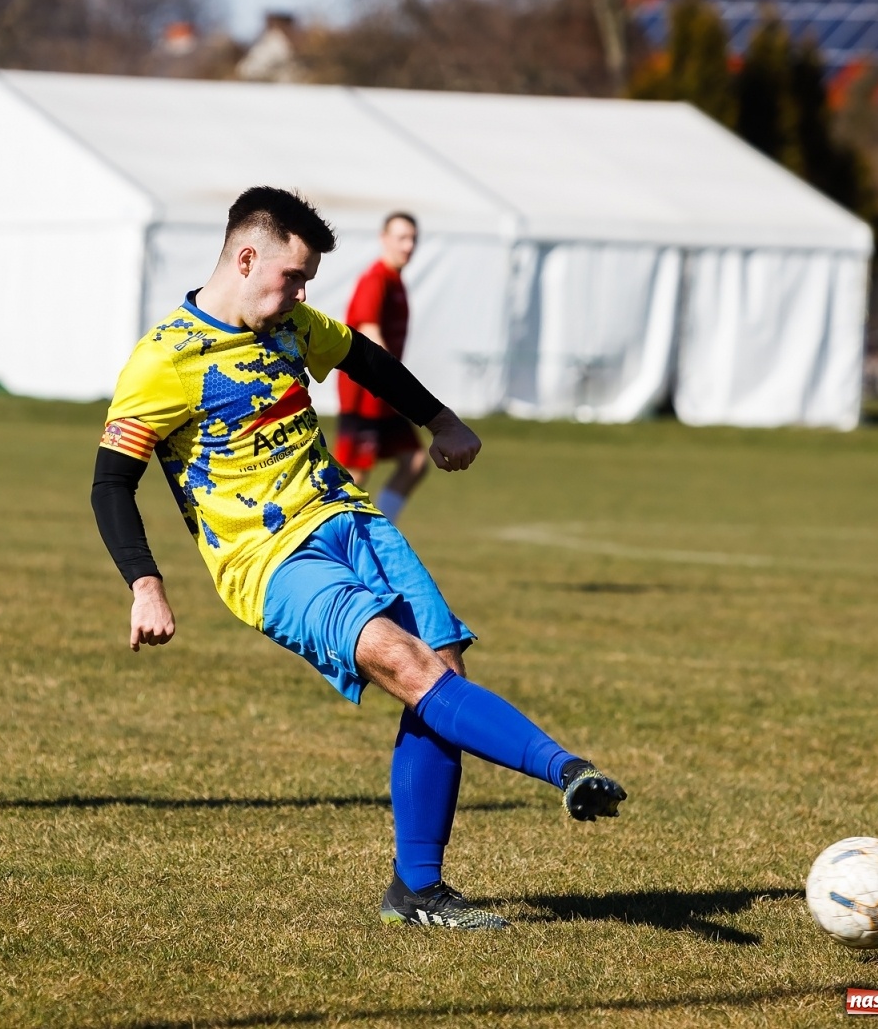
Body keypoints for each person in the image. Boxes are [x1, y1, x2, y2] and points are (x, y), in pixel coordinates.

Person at [91, 187, 626, 930]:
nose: (302, 295)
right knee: (411, 667)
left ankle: (416, 891)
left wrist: (439, 419)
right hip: (271, 561)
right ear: (246, 258)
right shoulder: (165, 358)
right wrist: (145, 585)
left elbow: (362, 358)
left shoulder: (291, 324)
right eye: (293, 277)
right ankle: (565, 768)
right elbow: (111, 480)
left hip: (351, 517)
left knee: (443, 672)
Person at [334, 212, 424, 524]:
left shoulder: (397, 280)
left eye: (413, 238)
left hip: (385, 392)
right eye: (401, 237)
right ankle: (328, 539)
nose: (408, 245)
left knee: (414, 461)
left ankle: (382, 534)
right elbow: (370, 332)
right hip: (366, 388)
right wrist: (399, 382)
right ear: (383, 239)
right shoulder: (376, 279)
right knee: (355, 472)